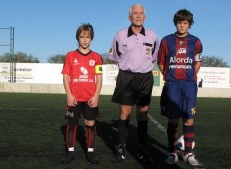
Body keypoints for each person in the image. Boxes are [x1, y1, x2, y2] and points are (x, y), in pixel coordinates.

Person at [107, 4, 159, 164]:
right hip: (126, 78)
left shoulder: (153, 36)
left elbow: (154, 57)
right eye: (135, 13)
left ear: (145, 17)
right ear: (129, 17)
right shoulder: (120, 35)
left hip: (145, 78)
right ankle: (121, 150)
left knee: (142, 114)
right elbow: (114, 57)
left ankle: (142, 149)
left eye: (141, 13)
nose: (138, 16)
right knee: (125, 114)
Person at [157, 9, 203, 167]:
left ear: (189, 24)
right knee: (173, 119)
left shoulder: (196, 41)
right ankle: (172, 152)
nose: (182, 25)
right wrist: (169, 76)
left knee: (189, 119)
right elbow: (161, 61)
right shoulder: (166, 40)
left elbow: (198, 61)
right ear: (175, 23)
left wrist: (190, 75)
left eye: (185, 23)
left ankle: (188, 153)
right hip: (172, 85)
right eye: (179, 22)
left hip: (189, 85)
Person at [61, 23, 103, 164]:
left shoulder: (97, 57)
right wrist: (69, 94)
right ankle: (70, 152)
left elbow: (99, 77)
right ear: (77, 38)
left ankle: (90, 152)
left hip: (90, 98)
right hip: (74, 98)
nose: (85, 40)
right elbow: (66, 76)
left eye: (88, 37)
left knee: (90, 123)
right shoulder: (70, 56)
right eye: (82, 36)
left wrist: (96, 95)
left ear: (91, 38)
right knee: (72, 123)